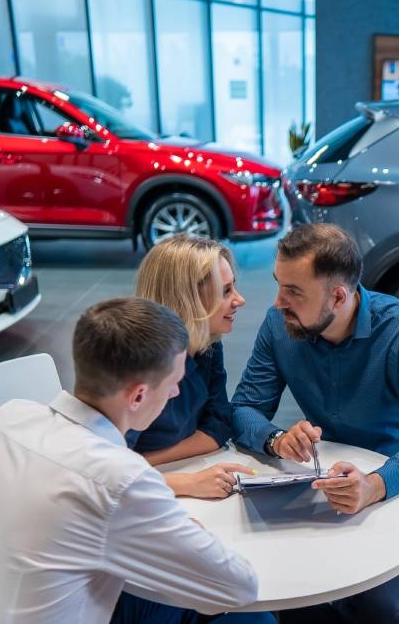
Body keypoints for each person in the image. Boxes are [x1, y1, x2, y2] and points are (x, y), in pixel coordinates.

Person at [0, 297, 258, 623]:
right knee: (252, 619)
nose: (175, 393)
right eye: (173, 383)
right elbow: (238, 588)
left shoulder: (7, 418)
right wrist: (185, 532)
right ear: (138, 395)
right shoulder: (119, 478)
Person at [231, 223, 399, 624]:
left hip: (391, 482)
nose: (278, 302)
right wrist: (277, 439)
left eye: (294, 291)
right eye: (279, 284)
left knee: (376, 609)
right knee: (286, 590)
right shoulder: (280, 324)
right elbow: (243, 408)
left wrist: (373, 485)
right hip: (312, 478)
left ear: (339, 296)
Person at [111, 236, 271, 624]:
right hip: (130, 554)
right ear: (188, 300)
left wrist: (147, 463)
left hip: (158, 491)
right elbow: (108, 478)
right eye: (227, 291)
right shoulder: (133, 370)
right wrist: (186, 481)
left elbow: (218, 426)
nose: (241, 300)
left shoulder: (207, 344)